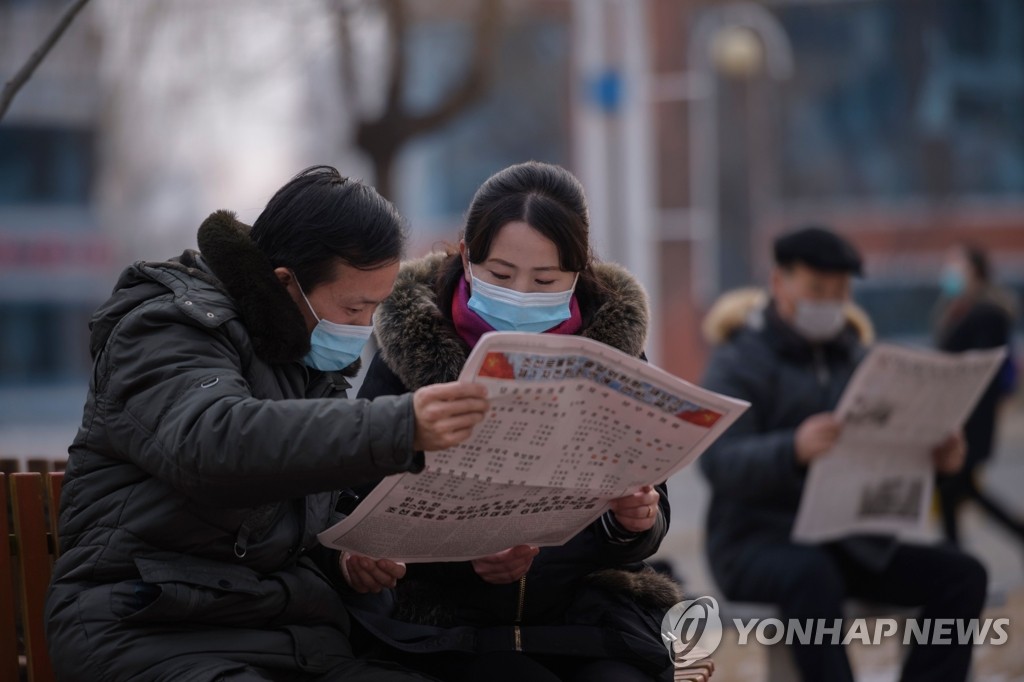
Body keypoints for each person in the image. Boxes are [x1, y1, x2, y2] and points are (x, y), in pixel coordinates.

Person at [45, 166, 490, 682]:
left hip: (287, 633)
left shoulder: (306, 362)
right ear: (286, 283)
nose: (362, 329)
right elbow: (214, 444)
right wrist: (398, 426)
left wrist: (344, 560)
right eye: (352, 307)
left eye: (374, 309)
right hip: (150, 626)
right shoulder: (164, 326)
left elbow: (276, 521)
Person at [354, 161, 683, 682]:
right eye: (501, 276)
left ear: (578, 272)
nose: (523, 295)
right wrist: (468, 558)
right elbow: (363, 505)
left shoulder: (611, 354)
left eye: (546, 279)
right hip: (449, 627)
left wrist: (631, 523)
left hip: (583, 617)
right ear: (466, 256)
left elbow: (651, 510)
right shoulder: (408, 351)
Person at [699, 226, 988, 682]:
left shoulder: (857, 358)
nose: (828, 303)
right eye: (817, 289)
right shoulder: (739, 360)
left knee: (962, 574)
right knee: (811, 575)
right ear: (779, 283)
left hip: (848, 541)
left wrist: (937, 460)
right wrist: (791, 450)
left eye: (839, 292)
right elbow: (718, 460)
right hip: (755, 545)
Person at [933, 242, 1022, 546]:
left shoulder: (988, 312)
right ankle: (953, 553)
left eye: (955, 264)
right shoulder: (955, 309)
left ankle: (953, 553)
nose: (948, 271)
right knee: (957, 488)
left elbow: (984, 368)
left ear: (974, 270)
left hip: (972, 417)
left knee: (955, 486)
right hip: (955, 412)